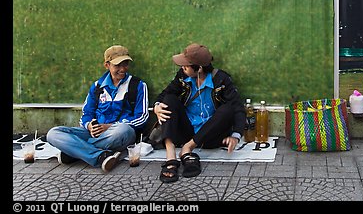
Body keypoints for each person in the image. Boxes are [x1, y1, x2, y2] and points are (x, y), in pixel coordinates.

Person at [46, 45, 149, 172]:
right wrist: (89, 126)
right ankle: (100, 156)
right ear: (107, 65)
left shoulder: (138, 85)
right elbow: (86, 114)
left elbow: (142, 117)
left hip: (119, 133)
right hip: (93, 133)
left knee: (123, 129)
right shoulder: (96, 86)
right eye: (117, 65)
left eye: (125, 64)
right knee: (53, 133)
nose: (122, 69)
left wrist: (110, 126)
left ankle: (75, 151)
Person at [153, 43, 245, 183]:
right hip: (187, 130)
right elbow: (166, 93)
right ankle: (171, 156)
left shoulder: (221, 80)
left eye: (186, 65)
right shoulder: (183, 76)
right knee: (169, 100)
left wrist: (236, 136)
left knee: (228, 109)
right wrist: (157, 106)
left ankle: (187, 148)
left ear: (199, 68)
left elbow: (238, 108)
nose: (182, 67)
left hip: (210, 134)